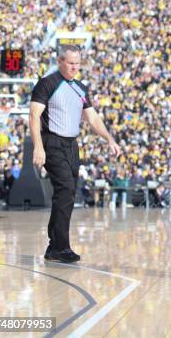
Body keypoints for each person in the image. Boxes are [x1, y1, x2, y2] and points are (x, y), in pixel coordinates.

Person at [30, 45, 121, 263]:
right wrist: (38, 146)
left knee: (68, 195)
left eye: (78, 63)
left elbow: (93, 119)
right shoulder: (47, 83)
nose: (75, 67)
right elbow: (33, 116)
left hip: (72, 145)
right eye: (71, 63)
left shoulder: (80, 88)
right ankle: (62, 247)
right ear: (60, 61)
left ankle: (53, 247)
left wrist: (109, 139)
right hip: (51, 142)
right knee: (65, 189)